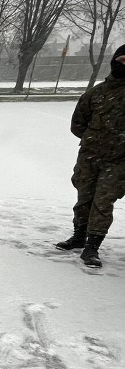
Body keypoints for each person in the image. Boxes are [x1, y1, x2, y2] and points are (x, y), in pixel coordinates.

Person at [55, 45, 125, 268]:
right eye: (121, 60)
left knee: (102, 203)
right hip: (89, 158)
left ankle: (92, 246)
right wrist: (94, 140)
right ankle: (78, 237)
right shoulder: (96, 93)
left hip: (118, 162)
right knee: (84, 198)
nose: (123, 65)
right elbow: (78, 124)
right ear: (114, 61)